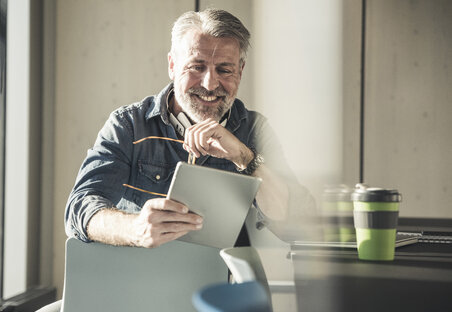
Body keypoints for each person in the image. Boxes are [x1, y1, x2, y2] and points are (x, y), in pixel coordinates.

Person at [65, 8, 315, 249]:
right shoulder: (128, 125)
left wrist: (244, 157)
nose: (209, 84)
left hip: (223, 287)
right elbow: (79, 207)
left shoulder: (255, 131)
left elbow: (296, 221)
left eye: (224, 69)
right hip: (138, 280)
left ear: (240, 71)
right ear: (173, 65)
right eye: (197, 67)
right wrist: (136, 228)